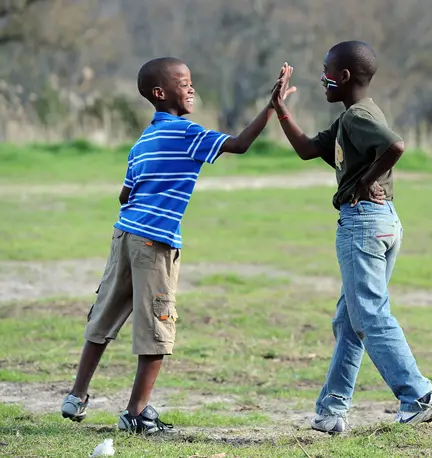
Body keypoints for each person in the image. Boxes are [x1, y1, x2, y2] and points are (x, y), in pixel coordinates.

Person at [60, 57, 296, 434]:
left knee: (102, 317)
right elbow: (239, 145)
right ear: (160, 93)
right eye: (183, 83)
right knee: (157, 328)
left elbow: (125, 194)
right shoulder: (188, 133)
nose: (191, 89)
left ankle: (76, 396)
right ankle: (136, 414)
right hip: (154, 242)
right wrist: (272, 107)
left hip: (124, 235)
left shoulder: (144, 139)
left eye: (191, 82)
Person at [270, 41, 432, 433]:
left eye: (327, 71)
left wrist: (363, 182)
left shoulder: (360, 117)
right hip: (381, 222)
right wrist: (281, 111)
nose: (322, 78)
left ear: (344, 77)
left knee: (369, 314)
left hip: (364, 223)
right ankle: (332, 412)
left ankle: (418, 396)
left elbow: (395, 145)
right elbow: (308, 149)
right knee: (350, 321)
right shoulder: (352, 118)